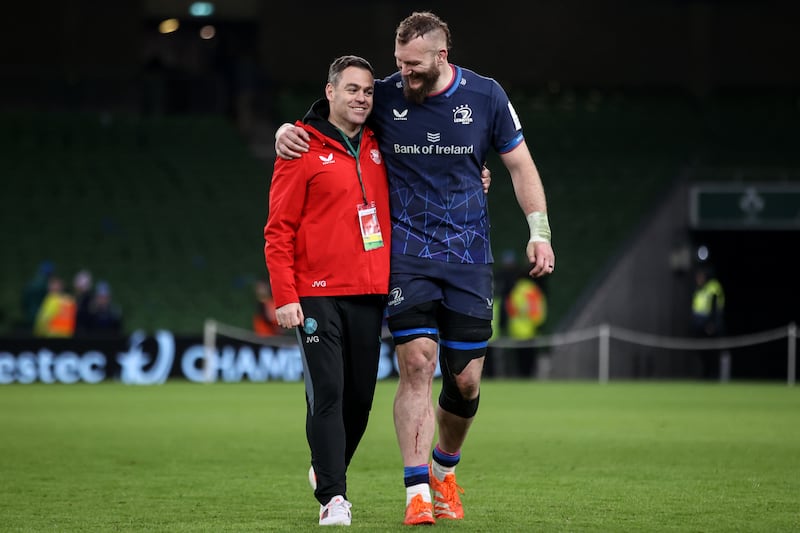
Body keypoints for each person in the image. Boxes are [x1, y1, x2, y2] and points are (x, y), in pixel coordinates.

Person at [275, 11, 555, 525]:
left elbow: (519, 164)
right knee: (418, 362)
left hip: (469, 258)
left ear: (442, 56)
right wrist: (285, 130)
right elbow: (333, 112)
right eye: (398, 63)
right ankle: (417, 491)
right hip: (406, 257)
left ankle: (445, 470)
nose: (404, 74)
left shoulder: (487, 96)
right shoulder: (384, 93)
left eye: (414, 65)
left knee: (466, 380)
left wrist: (539, 232)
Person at [264, 55, 391, 527]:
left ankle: (324, 469)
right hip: (315, 291)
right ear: (331, 91)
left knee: (361, 399)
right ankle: (334, 499)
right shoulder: (298, 148)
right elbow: (278, 230)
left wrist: (475, 176)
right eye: (352, 89)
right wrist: (285, 296)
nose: (361, 98)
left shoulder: (384, 141)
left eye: (368, 91)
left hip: (371, 289)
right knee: (329, 393)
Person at [505, 273, 548, 377]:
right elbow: (538, 310)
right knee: (530, 359)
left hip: (516, 331)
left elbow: (510, 309)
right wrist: (538, 323)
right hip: (531, 330)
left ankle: (522, 376)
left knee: (520, 360)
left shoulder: (515, 291)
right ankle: (529, 376)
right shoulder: (533, 290)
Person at [691, 264, 727, 379]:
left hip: (710, 327)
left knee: (712, 352)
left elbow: (715, 308)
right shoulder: (699, 290)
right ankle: (706, 375)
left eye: (700, 277)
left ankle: (714, 375)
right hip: (700, 327)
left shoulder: (713, 287)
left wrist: (712, 324)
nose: (698, 279)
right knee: (703, 353)